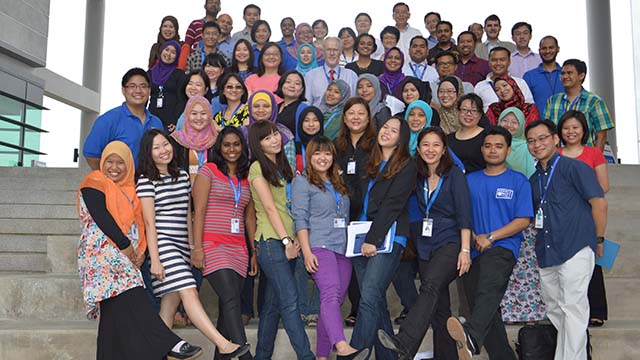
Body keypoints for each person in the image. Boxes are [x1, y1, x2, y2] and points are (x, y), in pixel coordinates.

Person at [77, 140, 204, 360]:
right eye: (110, 161)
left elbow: (142, 223)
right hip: (103, 256)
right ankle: (169, 344)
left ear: (129, 165)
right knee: (135, 294)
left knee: (111, 321)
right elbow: (102, 218)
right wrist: (128, 249)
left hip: (126, 256)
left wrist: (141, 251)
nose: (114, 167)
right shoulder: (94, 181)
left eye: (121, 163)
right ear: (102, 162)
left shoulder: (130, 189)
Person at [136, 129, 249, 359]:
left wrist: (190, 247)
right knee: (189, 292)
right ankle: (223, 344)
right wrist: (155, 260)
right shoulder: (146, 180)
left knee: (168, 307)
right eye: (156, 147)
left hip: (181, 246)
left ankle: (155, 353)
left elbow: (188, 214)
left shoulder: (182, 175)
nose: (163, 150)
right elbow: (149, 223)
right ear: (148, 153)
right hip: (163, 245)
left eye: (165, 145)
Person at [378, 126, 472, 360]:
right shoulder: (416, 174)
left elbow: (464, 213)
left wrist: (465, 250)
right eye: (426, 145)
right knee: (440, 310)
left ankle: (405, 342)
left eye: (436, 145)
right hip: (425, 246)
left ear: (444, 150)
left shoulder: (454, 174)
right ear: (418, 149)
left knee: (429, 286)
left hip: (451, 242)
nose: (431, 149)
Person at [447, 126, 533, 360]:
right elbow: (462, 214)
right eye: (487, 145)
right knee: (486, 310)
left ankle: (472, 335)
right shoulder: (469, 180)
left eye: (498, 146)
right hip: (472, 253)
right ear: (481, 149)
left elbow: (524, 219)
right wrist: (475, 236)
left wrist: (492, 236)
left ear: (508, 149)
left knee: (487, 293)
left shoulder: (518, 181)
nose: (492, 150)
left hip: (503, 249)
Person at [525, 119, 607, 360]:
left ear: (555, 139)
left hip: (576, 247)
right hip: (547, 251)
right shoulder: (534, 179)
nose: (536, 144)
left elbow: (599, 203)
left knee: (572, 307)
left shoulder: (575, 168)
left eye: (542, 138)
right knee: (554, 308)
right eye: (531, 140)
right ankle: (577, 353)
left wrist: (598, 239)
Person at [291, 136, 369, 360]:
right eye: (317, 153)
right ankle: (342, 347)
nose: (322, 158)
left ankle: (322, 356)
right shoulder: (302, 182)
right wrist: (306, 252)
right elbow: (300, 219)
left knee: (334, 299)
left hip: (342, 249)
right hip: (319, 245)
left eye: (327, 153)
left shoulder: (338, 182)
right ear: (310, 156)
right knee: (330, 293)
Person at [247, 121, 315, 360]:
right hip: (272, 241)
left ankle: (261, 356)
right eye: (267, 138)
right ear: (258, 144)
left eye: (275, 134)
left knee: (273, 306)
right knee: (290, 302)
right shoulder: (257, 167)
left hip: (288, 239)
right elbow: (269, 207)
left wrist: (294, 239)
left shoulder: (282, 165)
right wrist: (287, 242)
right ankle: (307, 356)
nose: (274, 140)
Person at [349, 116, 416, 360]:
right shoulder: (369, 161)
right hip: (359, 237)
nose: (386, 132)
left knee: (368, 295)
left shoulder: (407, 165)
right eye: (384, 127)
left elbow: (393, 205)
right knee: (375, 300)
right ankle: (389, 356)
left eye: (393, 130)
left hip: (386, 238)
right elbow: (358, 198)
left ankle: (355, 353)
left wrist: (373, 240)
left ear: (402, 138)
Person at [192, 126, 257, 360]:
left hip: (238, 248)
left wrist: (253, 252)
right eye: (227, 144)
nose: (232, 149)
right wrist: (197, 248)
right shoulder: (208, 171)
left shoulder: (246, 176)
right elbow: (198, 212)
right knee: (231, 297)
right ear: (219, 147)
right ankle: (246, 355)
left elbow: (249, 217)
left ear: (243, 147)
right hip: (212, 245)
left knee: (225, 311)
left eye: (236, 144)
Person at [557, 110, 610, 327]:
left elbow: (604, 185)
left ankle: (596, 310)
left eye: (575, 127)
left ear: (583, 130)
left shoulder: (593, 153)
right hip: (561, 217)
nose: (571, 131)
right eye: (566, 127)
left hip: (587, 214)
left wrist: (579, 198)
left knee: (591, 263)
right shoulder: (556, 153)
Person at [497, 108, 546, 324]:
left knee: (527, 268)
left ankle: (531, 312)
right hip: (502, 213)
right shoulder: (496, 147)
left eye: (513, 121)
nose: (509, 124)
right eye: (504, 120)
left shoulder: (527, 149)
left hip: (525, 213)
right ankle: (509, 311)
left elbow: (528, 181)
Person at [83, 68, 164, 169]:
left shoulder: (156, 122)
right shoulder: (107, 120)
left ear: (149, 90)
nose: (138, 90)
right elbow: (91, 154)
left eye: (143, 86)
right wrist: (109, 178)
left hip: (150, 182)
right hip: (119, 183)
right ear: (123, 90)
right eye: (132, 86)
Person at [543, 59, 615, 152]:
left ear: (581, 75)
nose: (565, 76)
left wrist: (595, 160)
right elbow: (546, 131)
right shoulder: (552, 101)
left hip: (585, 158)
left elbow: (601, 135)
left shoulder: (594, 101)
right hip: (559, 158)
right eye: (563, 73)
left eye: (569, 73)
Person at [242, 90, 296, 169]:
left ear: (273, 108)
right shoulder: (242, 133)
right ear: (250, 108)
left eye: (266, 106)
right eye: (256, 106)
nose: (261, 110)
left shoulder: (283, 132)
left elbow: (290, 168)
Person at [171, 96, 218, 183]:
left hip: (212, 193)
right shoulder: (176, 141)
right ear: (187, 115)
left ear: (210, 115)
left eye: (203, 113)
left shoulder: (217, 140)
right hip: (183, 192)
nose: (199, 118)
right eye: (194, 113)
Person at [474, 47, 534, 112]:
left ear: (509, 61)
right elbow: (475, 111)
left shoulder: (520, 83)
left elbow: (530, 108)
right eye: (494, 60)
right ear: (489, 62)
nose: (498, 63)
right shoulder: (480, 86)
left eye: (502, 60)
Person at [305, 37, 358, 107]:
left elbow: (354, 103)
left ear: (340, 52)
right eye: (328, 50)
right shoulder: (311, 75)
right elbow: (307, 103)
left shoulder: (351, 76)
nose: (332, 53)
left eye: (335, 50)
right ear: (323, 52)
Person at [148, 41, 187, 131]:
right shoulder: (150, 73)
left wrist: (176, 120)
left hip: (170, 122)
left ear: (177, 56)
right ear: (161, 51)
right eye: (167, 50)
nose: (168, 54)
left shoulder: (180, 75)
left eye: (173, 52)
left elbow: (181, 99)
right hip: (152, 118)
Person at [447, 93, 487, 173]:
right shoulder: (448, 139)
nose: (468, 114)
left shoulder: (487, 136)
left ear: (480, 115)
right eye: (464, 110)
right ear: (458, 112)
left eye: (474, 111)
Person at [523, 36, 563, 116]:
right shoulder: (529, 76)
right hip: (539, 125)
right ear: (539, 51)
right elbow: (525, 105)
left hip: (565, 125)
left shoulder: (566, 74)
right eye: (544, 48)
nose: (547, 51)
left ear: (558, 49)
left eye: (551, 47)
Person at [275, 70, 308, 134]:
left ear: (302, 90)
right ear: (281, 85)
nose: (292, 86)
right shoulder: (275, 107)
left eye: (297, 83)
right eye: (288, 82)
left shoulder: (303, 109)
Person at [294, 106, 324, 174]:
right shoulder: (295, 147)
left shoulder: (327, 146)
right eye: (306, 120)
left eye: (315, 120)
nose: (311, 124)